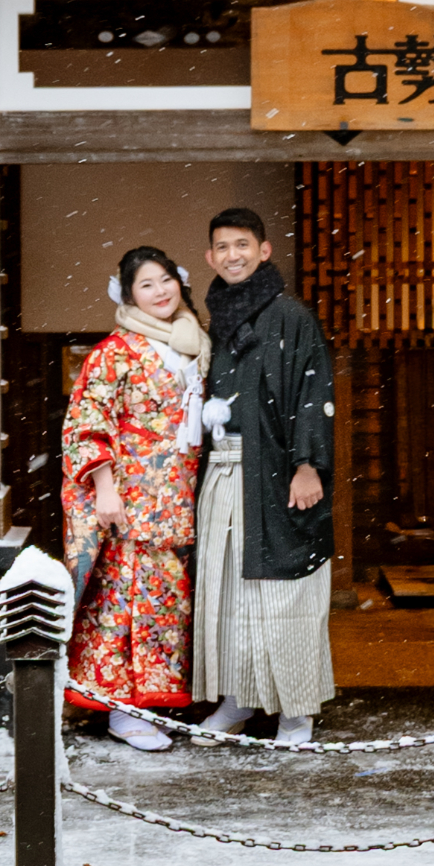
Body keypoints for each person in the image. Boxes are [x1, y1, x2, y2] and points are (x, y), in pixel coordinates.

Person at [193, 205, 336, 746]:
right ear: (210, 256)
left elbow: (312, 392)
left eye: (242, 245)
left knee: (284, 595)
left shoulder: (291, 316)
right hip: (226, 473)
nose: (233, 256)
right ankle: (239, 698)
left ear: (264, 250)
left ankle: (296, 712)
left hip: (277, 475)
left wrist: (307, 465)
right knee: (229, 592)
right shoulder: (217, 318)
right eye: (223, 247)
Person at [59, 243, 209, 752]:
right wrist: (103, 487)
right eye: (147, 284)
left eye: (166, 279)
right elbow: (86, 423)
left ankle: (151, 701)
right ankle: (120, 709)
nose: (160, 291)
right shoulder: (114, 352)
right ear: (128, 295)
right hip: (130, 500)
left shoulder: (193, 344)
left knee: (165, 605)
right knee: (123, 604)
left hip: (176, 498)